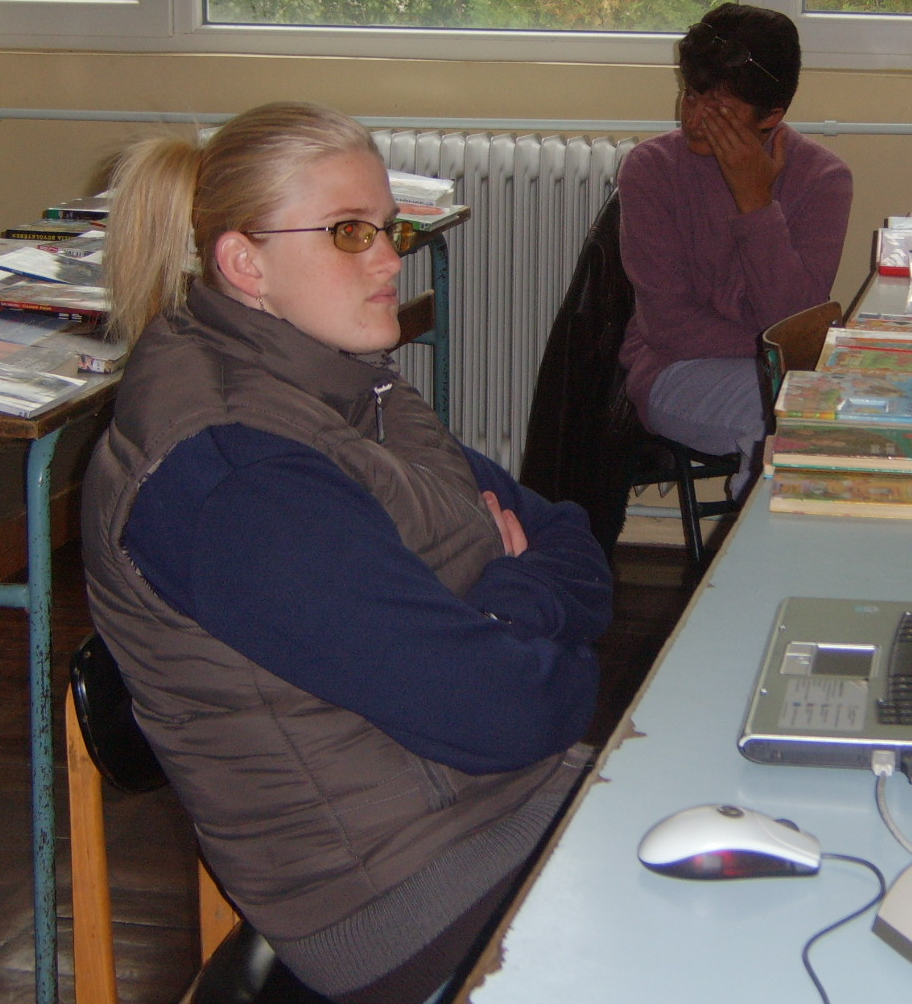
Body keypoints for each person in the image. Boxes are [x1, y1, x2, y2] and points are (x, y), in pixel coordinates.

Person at [80, 101, 613, 1004]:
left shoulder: (353, 389)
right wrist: (519, 612)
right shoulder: (233, 478)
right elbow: (514, 709)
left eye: (387, 228)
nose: (391, 258)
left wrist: (506, 614)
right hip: (402, 902)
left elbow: (573, 539)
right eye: (348, 232)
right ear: (245, 264)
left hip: (500, 809)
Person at [617, 3, 854, 489]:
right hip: (672, 371)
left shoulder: (823, 179)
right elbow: (668, 326)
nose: (695, 118)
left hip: (778, 372)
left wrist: (756, 204)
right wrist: (770, 345)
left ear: (773, 116)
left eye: (720, 109)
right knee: (781, 414)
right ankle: (761, 537)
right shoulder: (652, 169)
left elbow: (792, 320)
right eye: (691, 95)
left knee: (831, 409)